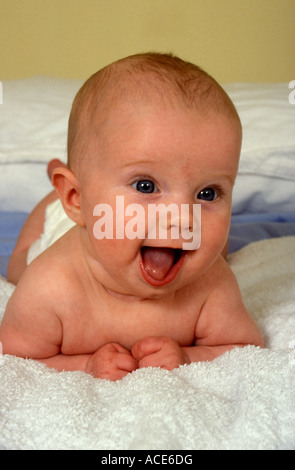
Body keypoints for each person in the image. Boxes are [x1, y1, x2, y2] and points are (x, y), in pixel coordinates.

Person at [0, 53, 264, 381]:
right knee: (18, 268)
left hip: (141, 234)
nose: (181, 217)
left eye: (207, 193)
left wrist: (187, 356)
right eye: (145, 185)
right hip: (66, 227)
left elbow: (243, 347)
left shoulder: (211, 285)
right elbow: (15, 356)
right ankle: (57, 181)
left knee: (211, 246)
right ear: (76, 199)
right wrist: (84, 365)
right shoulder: (49, 287)